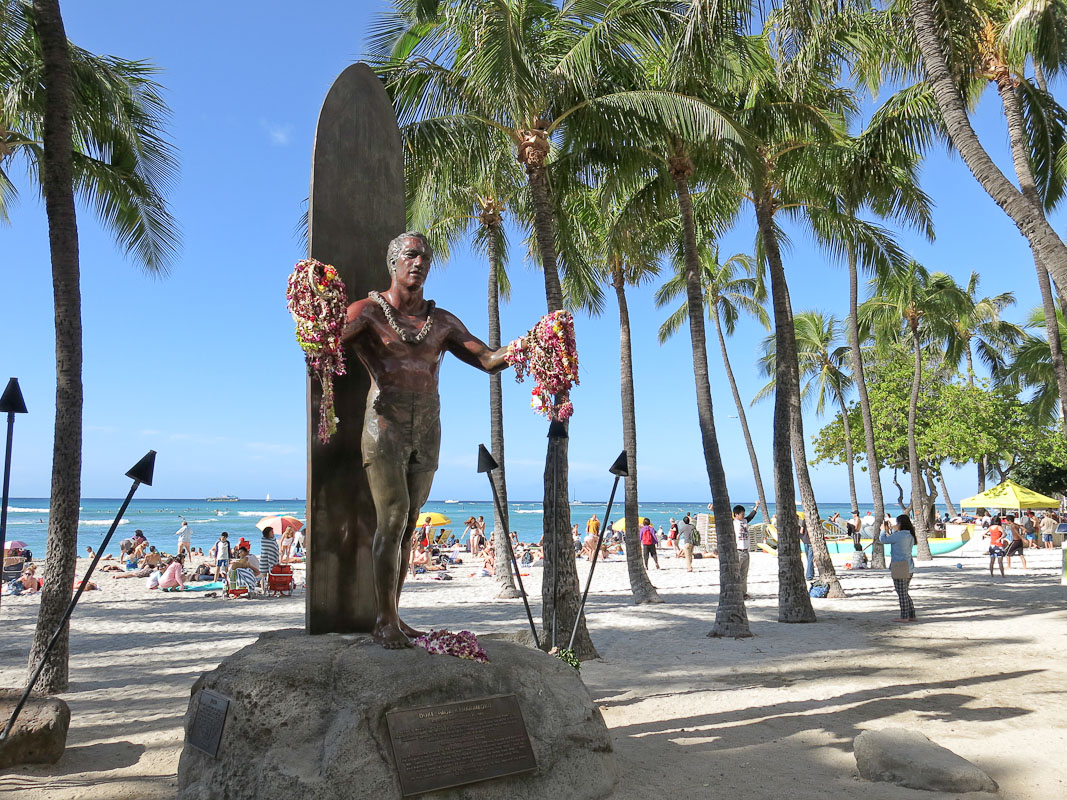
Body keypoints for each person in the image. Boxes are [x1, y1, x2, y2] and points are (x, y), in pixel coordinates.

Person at [340, 232, 514, 648]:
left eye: (424, 257)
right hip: (385, 423)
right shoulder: (368, 311)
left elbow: (488, 360)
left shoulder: (442, 322)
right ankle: (382, 620)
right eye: (410, 255)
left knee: (410, 522)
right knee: (394, 513)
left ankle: (394, 617)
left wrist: (532, 344)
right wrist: (314, 316)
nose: (418, 263)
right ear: (393, 262)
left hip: (429, 426)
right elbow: (324, 344)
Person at [882, 514, 917, 622]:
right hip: (909, 566)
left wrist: (883, 530)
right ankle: (911, 615)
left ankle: (904, 617)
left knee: (901, 593)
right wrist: (892, 529)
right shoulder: (910, 535)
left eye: (897, 523)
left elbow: (883, 540)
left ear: (901, 523)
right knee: (904, 592)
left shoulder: (900, 535)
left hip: (899, 566)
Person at [732, 505, 753, 599]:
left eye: (744, 514)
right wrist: (713, 509)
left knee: (744, 574)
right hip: (738, 551)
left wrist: (756, 507)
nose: (743, 516)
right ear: (736, 514)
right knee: (736, 574)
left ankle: (743, 593)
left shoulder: (744, 521)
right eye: (742, 514)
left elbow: (750, 517)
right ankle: (735, 593)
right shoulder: (733, 523)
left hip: (746, 551)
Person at [260, 526, 279, 590]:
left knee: (272, 575)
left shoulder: (274, 540)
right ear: (267, 533)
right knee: (263, 576)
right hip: (264, 559)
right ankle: (263, 589)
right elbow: (267, 548)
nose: (273, 533)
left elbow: (275, 549)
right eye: (271, 532)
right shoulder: (263, 540)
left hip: (272, 558)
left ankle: (269, 588)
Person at [800, 517, 814, 581]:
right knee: (810, 559)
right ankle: (809, 575)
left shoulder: (804, 520)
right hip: (811, 541)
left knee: (809, 559)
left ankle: (811, 573)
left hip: (805, 541)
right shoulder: (813, 520)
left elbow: (801, 531)